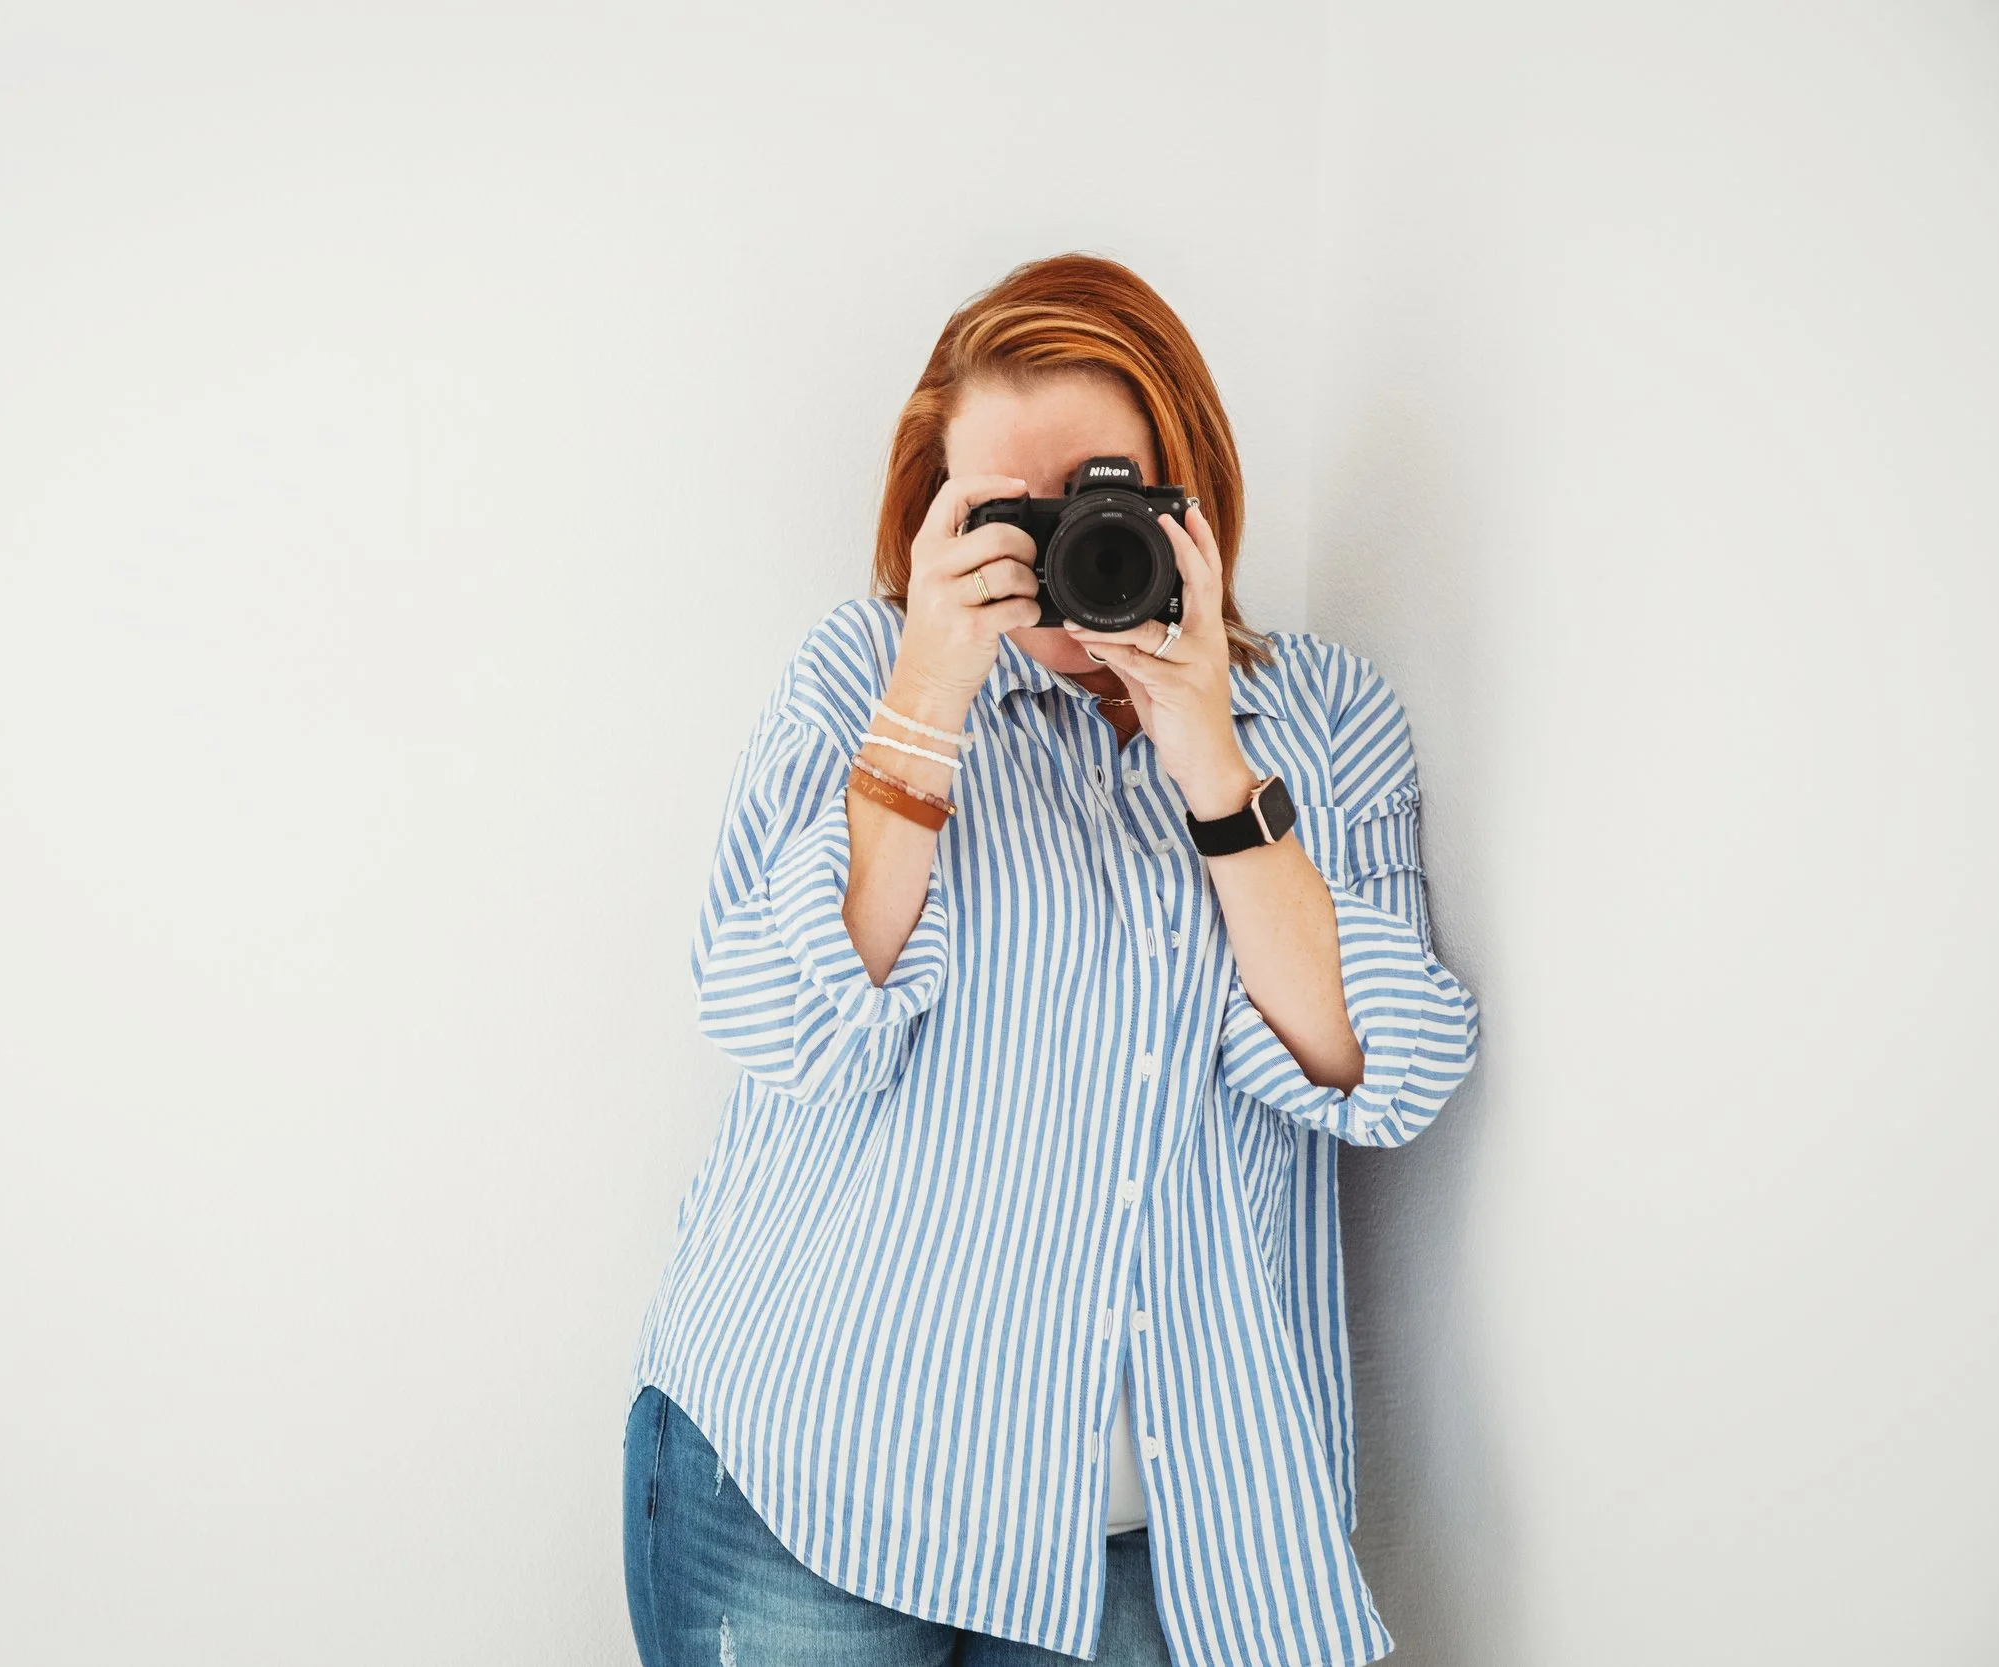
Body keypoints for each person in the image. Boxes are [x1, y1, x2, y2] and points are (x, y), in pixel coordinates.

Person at [621, 252, 1481, 1667]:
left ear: (1180, 483)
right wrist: (927, 701)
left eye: (1098, 489)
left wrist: (1209, 750)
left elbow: (1384, 1071)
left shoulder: (1324, 717)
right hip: (805, 1480)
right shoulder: (862, 674)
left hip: (1163, 1540)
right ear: (939, 513)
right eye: (1008, 515)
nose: (1059, 547)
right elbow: (783, 1021)